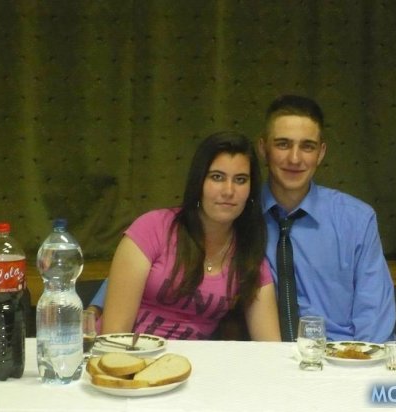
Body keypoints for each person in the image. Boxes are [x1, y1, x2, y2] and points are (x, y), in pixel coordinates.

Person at [95, 131, 280, 341]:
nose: (229, 191)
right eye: (217, 177)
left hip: (190, 361)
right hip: (125, 355)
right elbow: (114, 334)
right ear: (198, 182)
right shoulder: (153, 227)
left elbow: (270, 346)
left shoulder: (249, 253)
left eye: (240, 180)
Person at [258, 94, 395, 343]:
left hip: (347, 351)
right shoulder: (242, 217)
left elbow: (374, 319)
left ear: (321, 153)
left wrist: (354, 363)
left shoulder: (357, 220)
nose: (295, 158)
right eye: (283, 144)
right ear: (263, 148)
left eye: (307, 147)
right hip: (276, 355)